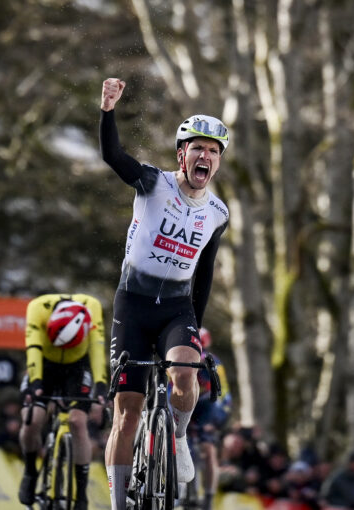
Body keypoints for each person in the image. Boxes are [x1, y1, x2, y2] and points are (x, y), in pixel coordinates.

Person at [99, 77, 230, 510]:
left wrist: (195, 326)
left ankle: (176, 437)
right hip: (132, 305)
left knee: (186, 374)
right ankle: (120, 503)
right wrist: (108, 111)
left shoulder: (217, 213)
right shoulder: (154, 183)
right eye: (198, 148)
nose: (205, 156)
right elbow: (113, 156)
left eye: (213, 151)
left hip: (177, 308)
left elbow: (204, 273)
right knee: (128, 412)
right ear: (182, 155)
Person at [18, 294, 107, 510]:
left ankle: (81, 491)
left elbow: (96, 347)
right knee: (33, 419)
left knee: (77, 422)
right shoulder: (37, 308)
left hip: (78, 367)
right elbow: (33, 348)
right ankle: (30, 470)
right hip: (44, 364)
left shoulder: (92, 307)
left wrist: (101, 384)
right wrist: (36, 382)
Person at [186, 327, 231, 510]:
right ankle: (188, 491)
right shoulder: (180, 358)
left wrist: (217, 420)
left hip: (208, 407)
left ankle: (209, 496)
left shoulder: (214, 362)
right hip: (188, 406)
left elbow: (223, 393)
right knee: (185, 447)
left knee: (207, 449)